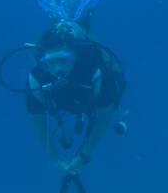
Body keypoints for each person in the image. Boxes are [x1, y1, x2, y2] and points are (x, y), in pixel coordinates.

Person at [25, 21, 125, 176]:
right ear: (41, 62)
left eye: (63, 60)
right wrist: (56, 160)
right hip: (76, 99)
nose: (58, 69)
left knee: (114, 70)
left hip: (90, 92)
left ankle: (85, 26)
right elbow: (39, 124)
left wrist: (83, 156)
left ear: (74, 56)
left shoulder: (95, 72)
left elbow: (104, 117)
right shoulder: (36, 79)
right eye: (50, 63)